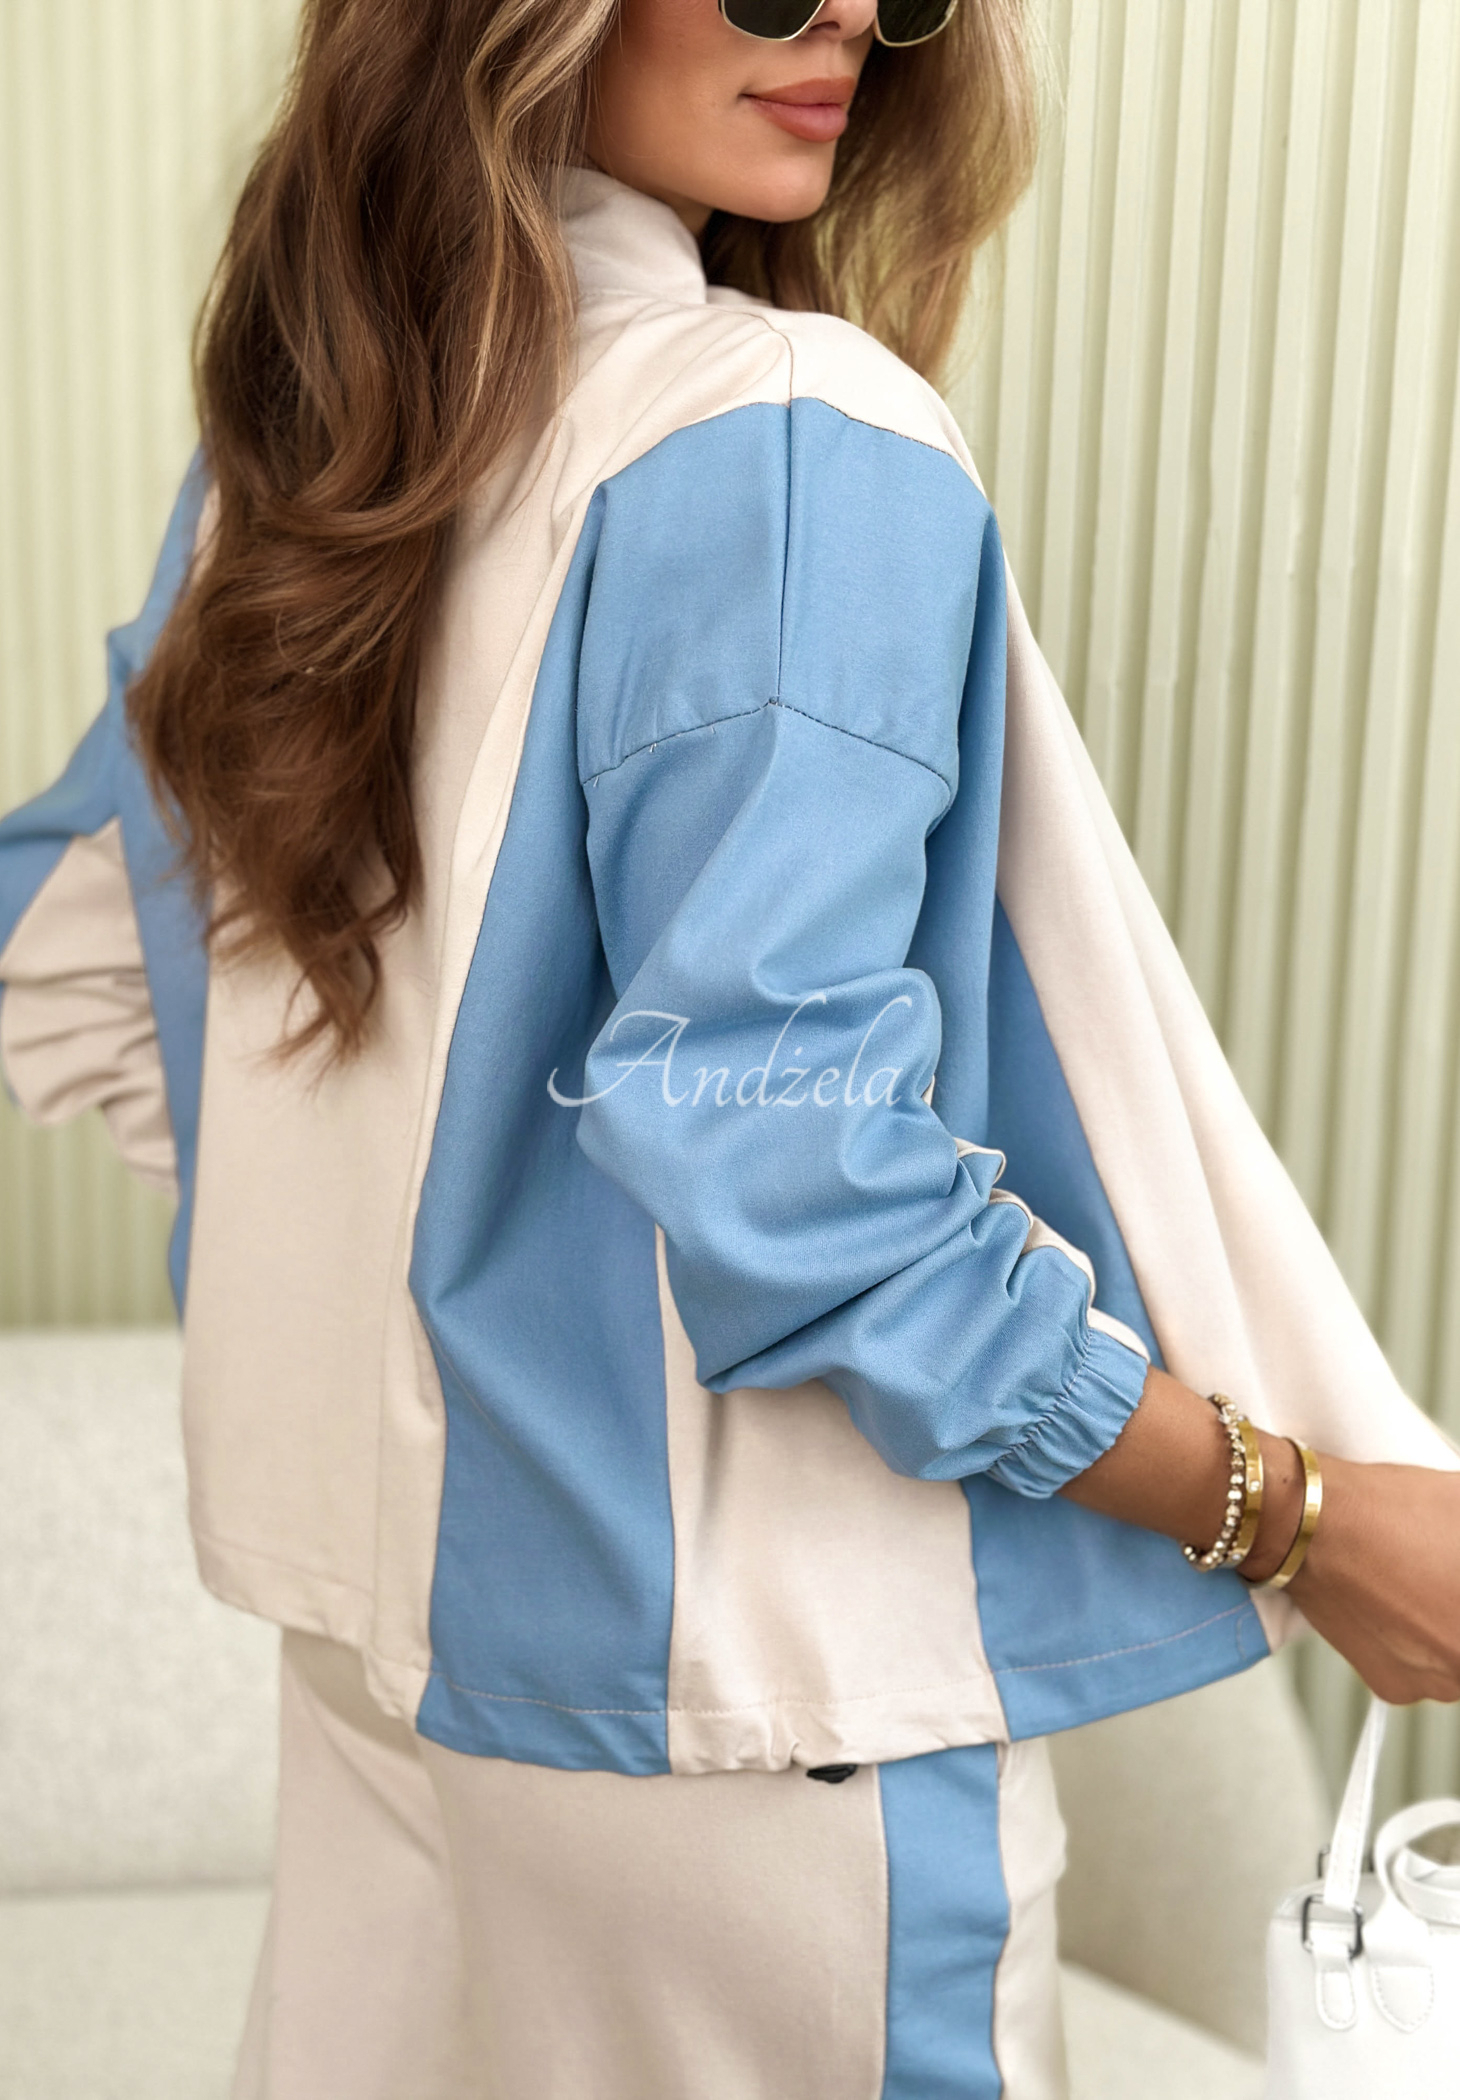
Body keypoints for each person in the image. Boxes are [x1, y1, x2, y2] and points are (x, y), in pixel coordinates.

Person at [2, 0, 1459, 2092]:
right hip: (764, 1727)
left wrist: (410, 1263)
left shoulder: (310, 470)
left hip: (385, 1672)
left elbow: (64, 948)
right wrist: (1293, 1516)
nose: (853, 14)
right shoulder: (780, 427)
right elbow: (799, 1168)